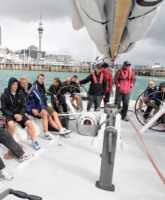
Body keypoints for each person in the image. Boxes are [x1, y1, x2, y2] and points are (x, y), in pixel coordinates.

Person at [1, 77, 40, 150]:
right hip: (10, 114)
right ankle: (10, 143)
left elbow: (24, 106)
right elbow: (3, 109)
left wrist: (21, 114)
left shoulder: (20, 93)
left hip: (19, 114)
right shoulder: (4, 95)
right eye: (13, 85)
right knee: (11, 125)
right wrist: (13, 115)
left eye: (16, 84)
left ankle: (34, 141)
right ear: (10, 85)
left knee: (29, 123)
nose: (15, 86)